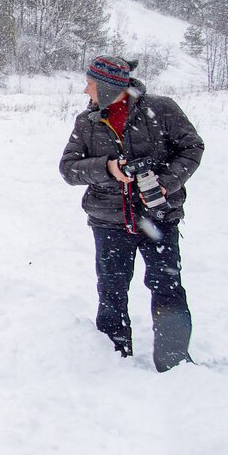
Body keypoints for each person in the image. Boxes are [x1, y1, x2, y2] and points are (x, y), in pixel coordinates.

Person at [59, 55, 205, 371]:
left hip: (159, 218)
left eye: (91, 84)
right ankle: (113, 362)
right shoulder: (87, 122)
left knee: (167, 289)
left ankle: (175, 361)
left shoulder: (162, 109)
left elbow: (192, 148)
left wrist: (165, 183)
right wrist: (107, 168)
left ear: (110, 87)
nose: (86, 91)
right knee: (111, 291)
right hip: (108, 222)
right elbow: (68, 170)